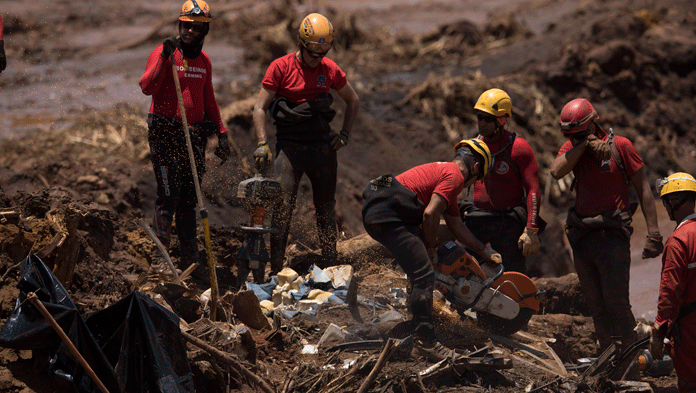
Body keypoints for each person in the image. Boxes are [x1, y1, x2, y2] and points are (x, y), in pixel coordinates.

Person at [362, 139, 502, 362]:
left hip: (380, 207)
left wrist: (484, 250)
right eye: (477, 179)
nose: (469, 185)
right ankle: (426, 341)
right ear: (476, 167)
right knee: (424, 273)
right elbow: (430, 214)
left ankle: (416, 321)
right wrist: (431, 248)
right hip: (388, 213)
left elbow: (456, 226)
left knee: (417, 270)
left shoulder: (442, 172)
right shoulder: (455, 176)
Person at [550, 98, 663, 357]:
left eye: (579, 133)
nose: (573, 138)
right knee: (596, 307)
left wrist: (654, 233)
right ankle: (609, 360)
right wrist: (584, 145)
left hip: (612, 234)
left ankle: (632, 360)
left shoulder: (620, 146)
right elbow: (556, 171)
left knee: (617, 303)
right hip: (581, 235)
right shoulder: (574, 148)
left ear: (592, 125)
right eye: (570, 135)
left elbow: (644, 189)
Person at [252, 13, 360, 275]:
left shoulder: (329, 69)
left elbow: (352, 100)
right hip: (290, 148)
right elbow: (258, 108)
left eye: (323, 53)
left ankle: (332, 264)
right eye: (313, 52)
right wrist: (262, 142)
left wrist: (344, 134)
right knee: (283, 207)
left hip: (322, 147)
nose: (317, 58)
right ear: (301, 44)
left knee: (325, 207)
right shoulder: (280, 67)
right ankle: (276, 269)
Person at [139, 0, 230, 268]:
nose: (191, 31)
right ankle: (160, 260)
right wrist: (165, 59)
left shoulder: (204, 61)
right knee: (169, 194)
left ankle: (191, 260)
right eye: (187, 26)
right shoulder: (164, 51)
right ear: (180, 24)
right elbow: (147, 87)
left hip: (193, 136)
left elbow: (208, 97)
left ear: (205, 31)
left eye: (197, 27)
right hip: (164, 131)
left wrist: (222, 131)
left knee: (191, 199)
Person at [460, 88, 542, 273]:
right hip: (478, 222)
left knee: (511, 277)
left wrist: (531, 229)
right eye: (479, 117)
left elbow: (533, 189)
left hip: (508, 226)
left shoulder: (518, 148)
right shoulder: (473, 146)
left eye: (487, 118)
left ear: (502, 119)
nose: (482, 123)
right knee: (471, 275)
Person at [650, 173, 696, 392]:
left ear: (672, 202)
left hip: (690, 326)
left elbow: (670, 291)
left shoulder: (678, 241)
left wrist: (659, 330)